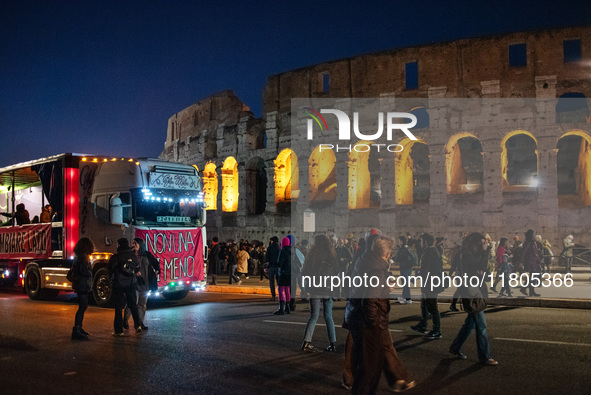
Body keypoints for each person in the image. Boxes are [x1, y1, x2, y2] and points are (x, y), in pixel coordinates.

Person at [352, 236, 415, 393]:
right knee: (369, 369)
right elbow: (369, 300)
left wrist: (384, 286)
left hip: (360, 319)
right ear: (387, 254)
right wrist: (375, 323)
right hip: (369, 324)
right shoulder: (377, 271)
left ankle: (396, 377)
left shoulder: (366, 260)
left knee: (372, 366)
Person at [449, 232, 499, 366]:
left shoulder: (471, 254)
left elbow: (484, 269)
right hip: (472, 294)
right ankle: (484, 356)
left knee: (470, 324)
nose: (486, 244)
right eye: (483, 242)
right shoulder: (467, 255)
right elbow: (481, 266)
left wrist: (482, 261)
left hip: (474, 291)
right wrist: (485, 252)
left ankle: (455, 347)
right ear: (477, 243)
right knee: (481, 326)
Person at [301, 234, 338, 352]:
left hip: (314, 289)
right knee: (328, 316)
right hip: (328, 290)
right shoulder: (331, 256)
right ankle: (332, 343)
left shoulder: (312, 256)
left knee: (313, 317)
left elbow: (304, 273)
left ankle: (306, 342)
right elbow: (337, 274)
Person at [411, 233, 443, 339]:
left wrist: (417, 275)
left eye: (421, 241)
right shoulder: (430, 251)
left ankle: (437, 331)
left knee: (433, 307)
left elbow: (427, 270)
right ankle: (423, 325)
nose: (420, 243)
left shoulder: (431, 252)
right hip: (428, 283)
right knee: (424, 305)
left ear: (425, 242)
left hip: (431, 284)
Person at [123, 238, 160, 331]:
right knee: (132, 303)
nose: (133, 244)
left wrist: (157, 270)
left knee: (142, 304)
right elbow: (125, 267)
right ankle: (125, 319)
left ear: (141, 245)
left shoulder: (147, 254)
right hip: (134, 283)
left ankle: (140, 323)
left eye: (136, 243)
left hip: (145, 283)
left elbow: (156, 263)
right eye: (133, 243)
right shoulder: (130, 255)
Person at [109, 238, 143, 336]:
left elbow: (110, 268)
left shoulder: (116, 257)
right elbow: (137, 267)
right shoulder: (132, 255)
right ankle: (138, 325)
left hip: (118, 285)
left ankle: (119, 331)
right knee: (133, 305)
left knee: (118, 308)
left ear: (119, 245)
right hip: (131, 284)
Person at [71, 237, 95, 341]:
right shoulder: (84, 258)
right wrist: (90, 272)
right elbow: (84, 271)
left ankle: (78, 328)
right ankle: (76, 330)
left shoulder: (77, 256)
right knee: (82, 307)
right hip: (83, 285)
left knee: (82, 307)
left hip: (78, 284)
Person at [393, 235, 415, 304]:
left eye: (399, 241)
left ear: (402, 241)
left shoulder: (403, 249)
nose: (398, 242)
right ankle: (403, 297)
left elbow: (397, 258)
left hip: (404, 268)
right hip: (409, 268)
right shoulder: (409, 247)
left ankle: (408, 299)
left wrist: (392, 258)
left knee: (405, 283)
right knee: (405, 282)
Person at [519, 229, 541, 297]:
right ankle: (528, 290)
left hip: (534, 261)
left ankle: (528, 290)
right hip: (530, 261)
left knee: (533, 276)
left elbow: (536, 252)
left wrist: (538, 260)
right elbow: (523, 252)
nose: (534, 235)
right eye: (533, 234)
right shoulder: (528, 243)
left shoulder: (533, 242)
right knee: (533, 275)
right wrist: (521, 262)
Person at [274, 237, 292, 315]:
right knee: (287, 290)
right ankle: (287, 307)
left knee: (280, 289)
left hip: (283, 272)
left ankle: (281, 308)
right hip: (291, 273)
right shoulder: (292, 251)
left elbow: (279, 263)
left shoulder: (283, 251)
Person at [265, 236, 280, 300]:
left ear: (272, 241)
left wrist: (266, 266)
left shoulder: (269, 248)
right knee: (279, 282)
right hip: (278, 267)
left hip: (271, 266)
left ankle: (273, 295)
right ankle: (280, 295)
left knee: (271, 281)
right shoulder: (279, 248)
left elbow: (267, 258)